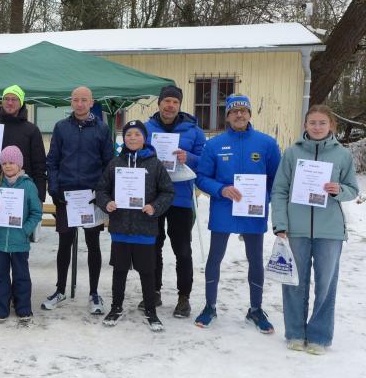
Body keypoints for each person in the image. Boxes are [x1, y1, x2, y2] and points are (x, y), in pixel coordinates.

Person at [271, 105, 359, 354]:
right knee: (294, 283)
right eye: (312, 122)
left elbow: (353, 189)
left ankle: (319, 336)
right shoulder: (292, 153)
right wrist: (280, 223)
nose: (317, 127)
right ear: (305, 125)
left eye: (322, 123)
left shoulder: (342, 155)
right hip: (296, 229)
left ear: (331, 125)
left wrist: (339, 190)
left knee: (326, 284)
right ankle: (295, 333)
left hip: (330, 231)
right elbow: (279, 190)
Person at [194, 94, 281, 333]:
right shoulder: (214, 145)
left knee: (255, 259)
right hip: (224, 209)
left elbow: (277, 178)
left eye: (243, 110)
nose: (239, 114)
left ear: (250, 114)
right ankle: (210, 306)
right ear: (228, 116)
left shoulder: (266, 143)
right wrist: (221, 189)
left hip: (253, 211)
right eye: (234, 111)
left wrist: (264, 199)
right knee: (215, 258)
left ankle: (256, 309)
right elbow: (202, 178)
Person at [0, 85, 47, 306]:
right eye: (7, 99)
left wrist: (38, 196)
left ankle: (16, 291)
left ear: (21, 103)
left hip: (20, 194)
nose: (10, 102)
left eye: (14, 99)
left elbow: (39, 164)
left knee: (16, 245)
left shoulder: (31, 130)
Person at [96, 120, 175, 331]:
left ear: (144, 138)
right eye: (128, 134)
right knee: (119, 270)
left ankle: (151, 310)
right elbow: (101, 189)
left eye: (137, 134)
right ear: (123, 138)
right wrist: (107, 203)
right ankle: (116, 307)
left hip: (145, 228)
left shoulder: (155, 164)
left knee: (147, 271)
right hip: (120, 228)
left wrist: (154, 207)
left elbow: (168, 192)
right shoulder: (115, 163)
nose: (132, 138)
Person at [44, 86, 114, 313]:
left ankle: (94, 293)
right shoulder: (61, 127)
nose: (80, 103)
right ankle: (60, 290)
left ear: (92, 102)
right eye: (76, 100)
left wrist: (101, 193)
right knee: (64, 243)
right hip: (66, 196)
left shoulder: (102, 129)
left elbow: (108, 163)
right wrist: (55, 188)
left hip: (91, 196)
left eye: (84, 100)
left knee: (93, 244)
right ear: (71, 102)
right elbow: (52, 161)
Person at [144, 85, 206, 318]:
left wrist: (188, 157)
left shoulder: (194, 131)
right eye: (166, 101)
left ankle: (183, 297)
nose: (170, 106)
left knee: (182, 249)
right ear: (159, 103)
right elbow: (135, 152)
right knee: (153, 245)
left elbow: (205, 161)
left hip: (181, 198)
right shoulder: (147, 128)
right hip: (153, 197)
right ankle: (154, 291)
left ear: (179, 105)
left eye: (175, 102)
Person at [0, 145, 42, 323]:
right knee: (0, 275)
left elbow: (36, 213)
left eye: (11, 162)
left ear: (19, 164)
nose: (8, 166)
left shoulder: (28, 186)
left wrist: (25, 230)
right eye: (4, 163)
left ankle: (23, 307)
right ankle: (0, 308)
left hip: (19, 241)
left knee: (21, 276)